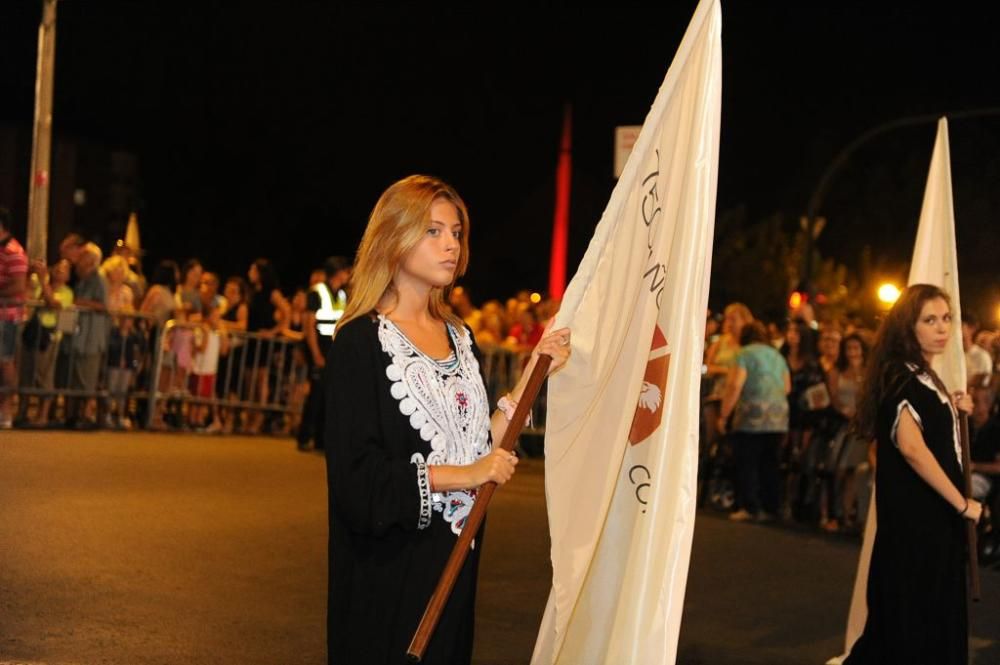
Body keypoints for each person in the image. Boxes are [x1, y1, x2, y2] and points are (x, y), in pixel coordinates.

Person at [324, 175, 570, 665]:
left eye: (456, 232)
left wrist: (532, 375)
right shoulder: (360, 343)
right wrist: (467, 476)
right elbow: (357, 481)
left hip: (453, 565)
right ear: (394, 237)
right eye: (433, 231)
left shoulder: (461, 338)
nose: (451, 245)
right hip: (385, 571)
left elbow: (479, 444)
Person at [845, 284, 982, 665]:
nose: (943, 328)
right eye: (930, 320)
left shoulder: (924, 377)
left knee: (930, 613)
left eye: (947, 319)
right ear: (908, 327)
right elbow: (912, 450)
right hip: (918, 522)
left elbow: (939, 443)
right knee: (909, 618)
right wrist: (961, 504)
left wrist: (956, 410)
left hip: (934, 520)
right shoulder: (900, 378)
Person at [717, 320, 790, 522]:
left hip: (752, 414)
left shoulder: (743, 354)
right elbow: (787, 387)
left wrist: (724, 415)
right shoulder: (777, 355)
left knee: (747, 461)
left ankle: (749, 506)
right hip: (778, 415)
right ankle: (770, 506)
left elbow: (735, 385)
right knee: (770, 462)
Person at [298, 256, 351, 451]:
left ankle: (321, 439)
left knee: (329, 395)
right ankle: (304, 436)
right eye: (346, 271)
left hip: (333, 348)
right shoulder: (317, 292)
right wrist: (316, 354)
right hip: (319, 345)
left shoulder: (343, 295)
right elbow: (309, 326)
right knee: (315, 395)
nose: (349, 275)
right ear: (338, 272)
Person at [0, 207, 28, 429]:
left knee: (5, 361)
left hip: (6, 317)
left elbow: (19, 285)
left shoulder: (14, 251)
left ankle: (7, 408)